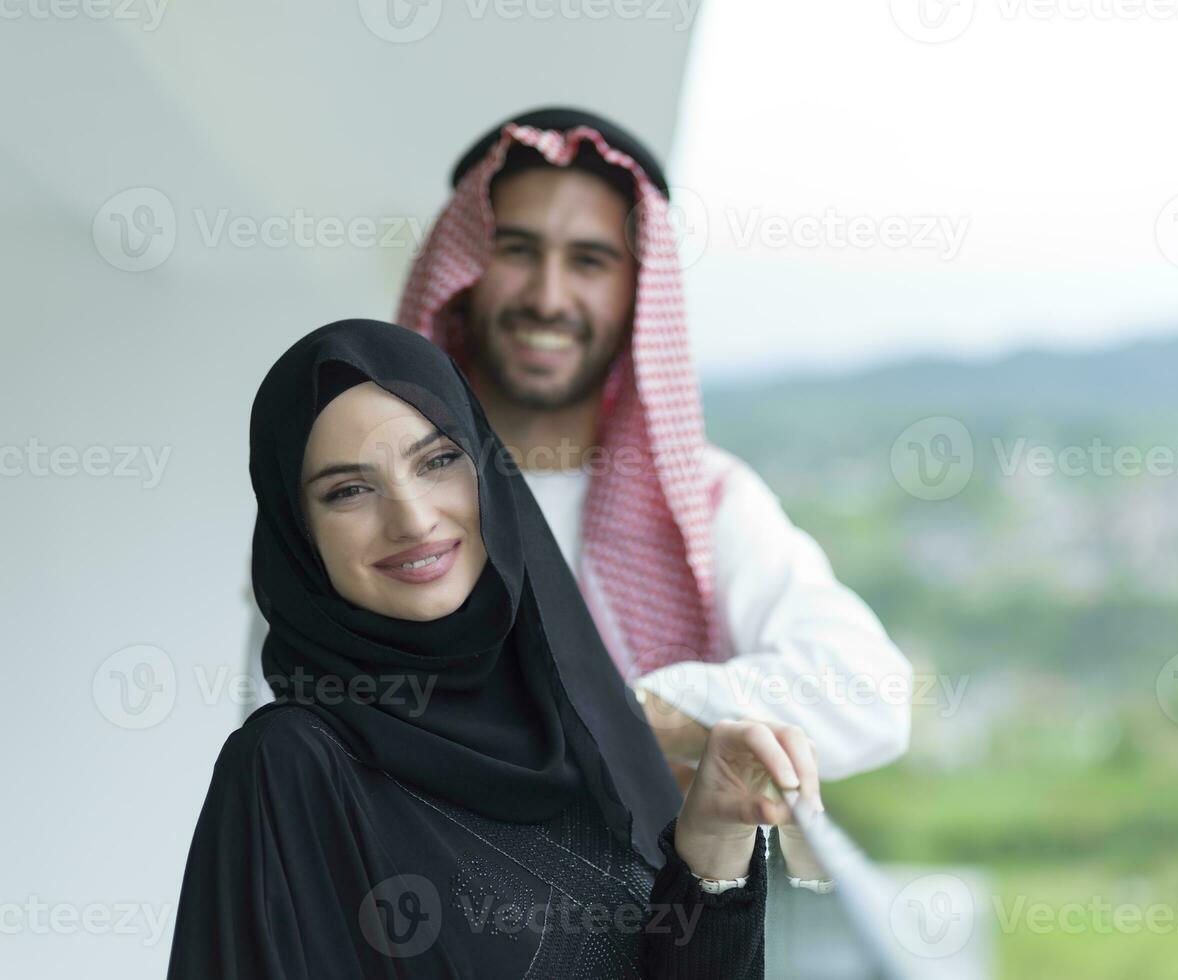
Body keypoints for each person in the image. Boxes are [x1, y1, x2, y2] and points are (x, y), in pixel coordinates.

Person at [167, 318, 828, 979]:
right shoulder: (291, 766)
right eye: (348, 490)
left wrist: (713, 842)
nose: (413, 518)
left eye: (437, 461)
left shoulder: (574, 726)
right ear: (297, 535)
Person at [395, 107, 913, 785]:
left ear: (638, 289)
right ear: (462, 275)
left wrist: (617, 714)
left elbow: (868, 696)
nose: (549, 297)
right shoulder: (379, 497)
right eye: (516, 250)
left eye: (589, 260)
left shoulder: (703, 496)